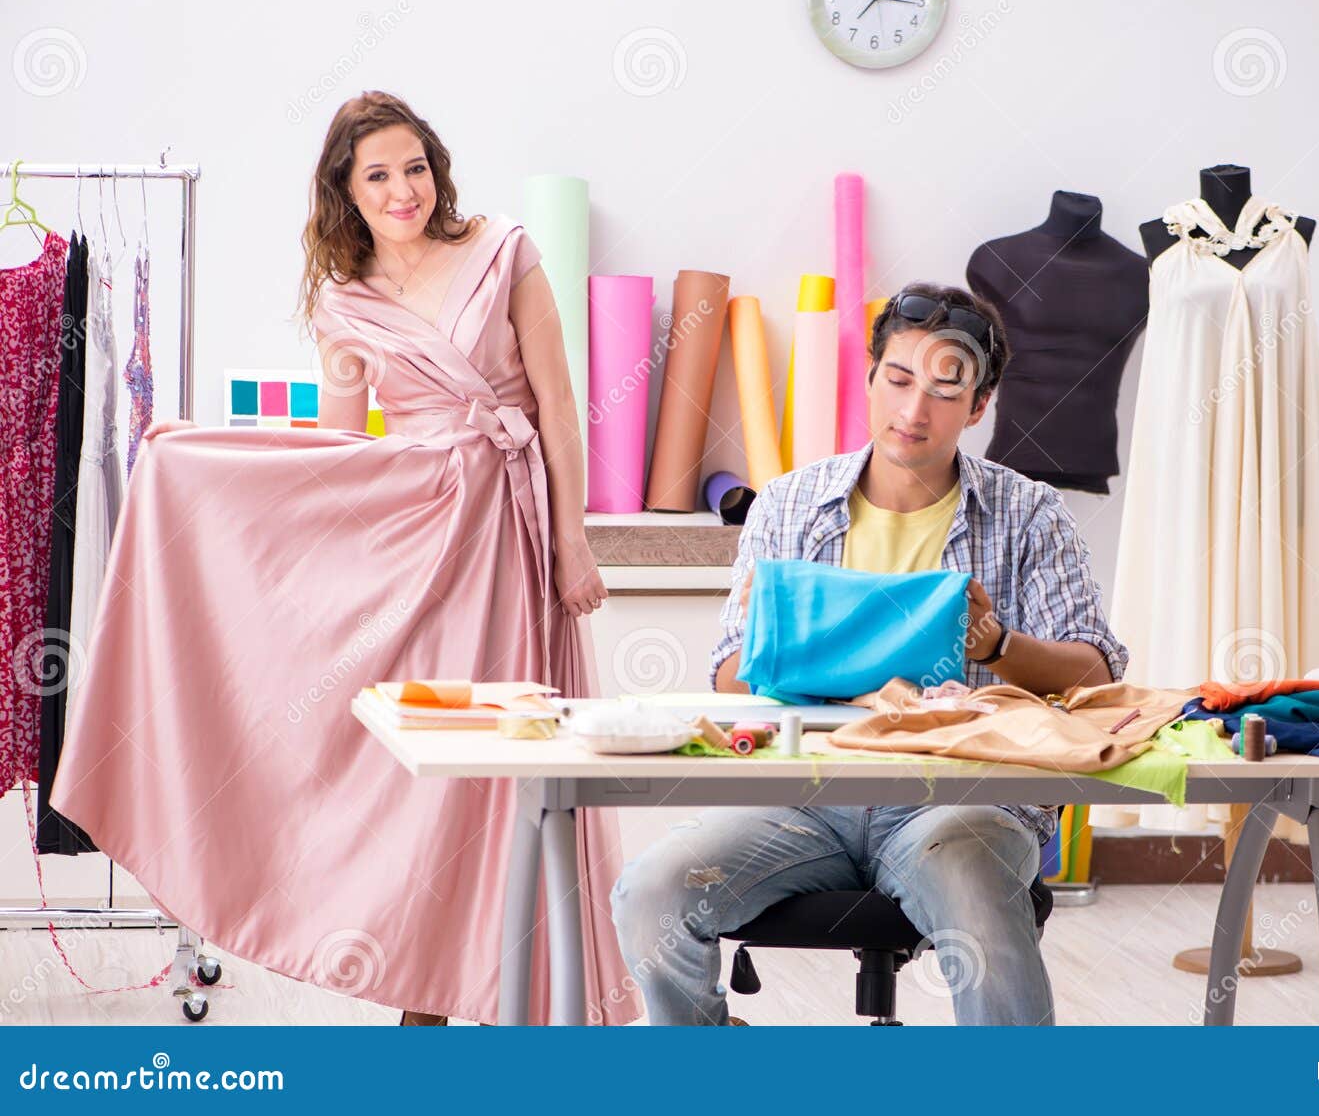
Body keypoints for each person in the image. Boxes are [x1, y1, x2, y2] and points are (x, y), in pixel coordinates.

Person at [51, 90, 637, 1026]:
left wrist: (573, 545)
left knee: (510, 759)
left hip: (509, 536)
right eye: (379, 175)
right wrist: (195, 468)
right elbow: (342, 459)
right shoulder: (343, 303)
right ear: (346, 192)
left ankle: (509, 993)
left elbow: (561, 412)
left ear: (436, 169)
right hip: (419, 546)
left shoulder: (505, 250)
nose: (404, 189)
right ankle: (428, 991)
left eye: (415, 166)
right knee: (424, 771)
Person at [609, 282, 1129, 1025]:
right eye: (899, 379)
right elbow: (728, 674)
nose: (915, 411)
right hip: (804, 798)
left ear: (979, 406)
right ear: (872, 376)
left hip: (960, 798)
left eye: (946, 391)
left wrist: (1000, 647)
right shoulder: (788, 504)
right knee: (652, 890)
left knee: (974, 889)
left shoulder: (1029, 512)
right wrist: (793, 651)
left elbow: (1098, 674)